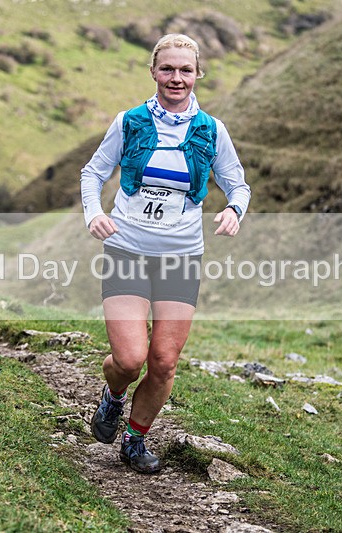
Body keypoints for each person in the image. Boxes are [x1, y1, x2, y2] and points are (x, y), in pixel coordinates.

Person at [81, 34, 251, 474]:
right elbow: (94, 172)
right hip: (127, 249)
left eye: (185, 70)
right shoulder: (130, 122)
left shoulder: (212, 130)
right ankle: (113, 395)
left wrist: (234, 210)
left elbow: (238, 184)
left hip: (181, 256)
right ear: (154, 72)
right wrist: (93, 213)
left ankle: (135, 439)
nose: (177, 78)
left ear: (198, 75)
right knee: (129, 359)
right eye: (168, 69)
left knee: (163, 362)